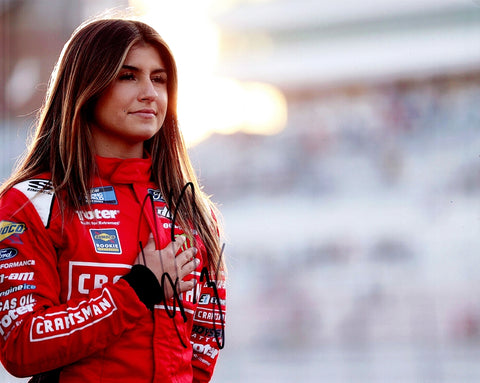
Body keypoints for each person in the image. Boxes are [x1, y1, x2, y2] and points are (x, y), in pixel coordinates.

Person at [0, 17, 226, 383]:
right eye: (127, 76)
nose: (149, 93)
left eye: (159, 79)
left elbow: (201, 352)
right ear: (87, 86)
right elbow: (21, 345)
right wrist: (137, 289)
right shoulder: (32, 204)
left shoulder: (195, 213)